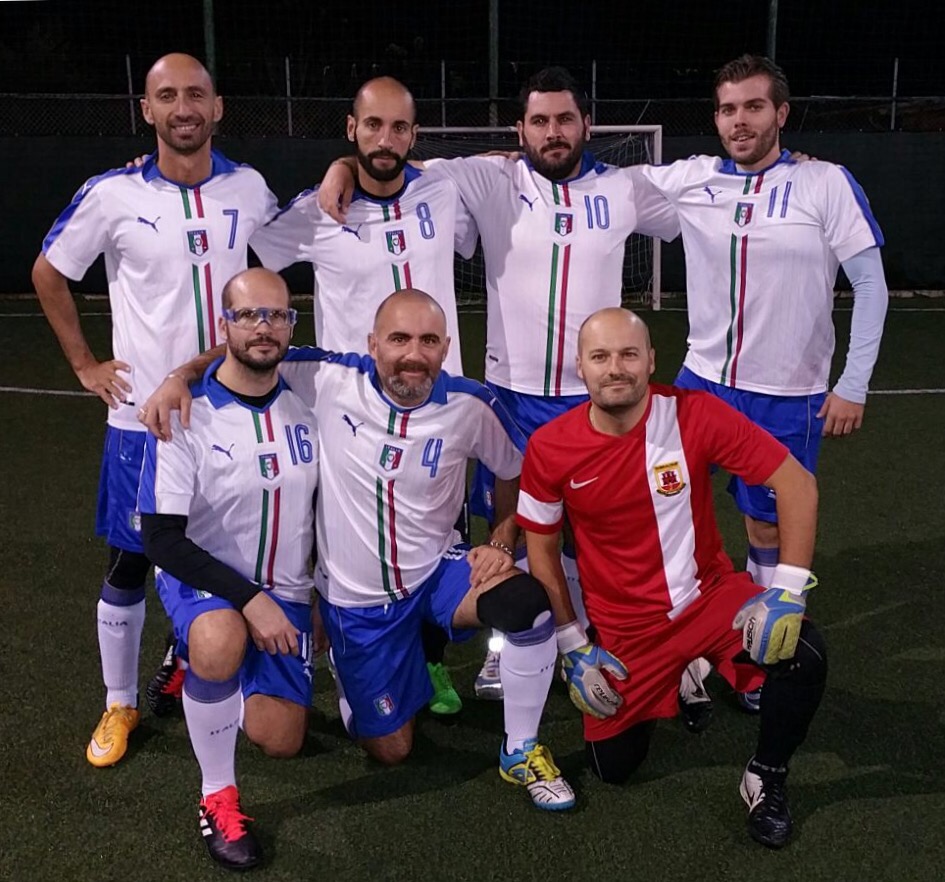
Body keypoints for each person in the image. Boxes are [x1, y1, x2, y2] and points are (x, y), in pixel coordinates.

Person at [317, 66, 681, 701]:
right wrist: (341, 167)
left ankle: (599, 637)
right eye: (539, 121)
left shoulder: (625, 187)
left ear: (587, 124)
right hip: (511, 396)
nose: (553, 131)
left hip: (594, 398)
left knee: (595, 530)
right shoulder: (489, 179)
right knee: (503, 529)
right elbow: (393, 162)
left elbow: (704, 201)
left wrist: (792, 168)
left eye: (564, 119)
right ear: (519, 130)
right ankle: (504, 648)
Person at [142, 289, 577, 812]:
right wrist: (179, 376)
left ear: (446, 348)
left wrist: (501, 539)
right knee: (390, 750)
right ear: (373, 344)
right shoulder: (328, 377)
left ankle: (520, 748)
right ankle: (356, 682)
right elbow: (253, 348)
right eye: (399, 339)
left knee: (525, 603)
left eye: (428, 341)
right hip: (358, 604)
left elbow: (516, 470)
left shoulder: (470, 404)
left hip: (438, 574)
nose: (413, 354)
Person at [31, 52, 280, 766]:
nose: (183, 108)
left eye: (196, 94)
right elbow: (48, 272)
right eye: (167, 96)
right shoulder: (112, 194)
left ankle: (191, 657)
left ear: (218, 106)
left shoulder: (249, 188)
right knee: (129, 564)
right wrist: (85, 365)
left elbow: (300, 234)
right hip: (146, 421)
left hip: (230, 412)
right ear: (147, 110)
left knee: (225, 551)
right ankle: (119, 702)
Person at [635, 54, 888, 720]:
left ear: (780, 112)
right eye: (727, 109)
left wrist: (853, 383)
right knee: (669, 512)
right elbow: (593, 185)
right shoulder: (692, 179)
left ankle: (753, 649)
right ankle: (683, 647)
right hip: (702, 383)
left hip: (788, 393)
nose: (738, 121)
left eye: (753, 106)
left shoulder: (824, 182)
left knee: (764, 523)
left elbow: (870, 285)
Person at [516, 308, 828, 848]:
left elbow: (796, 483)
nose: (616, 368)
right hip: (627, 630)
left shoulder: (695, 414)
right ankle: (680, 674)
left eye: (629, 354)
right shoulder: (550, 446)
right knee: (613, 768)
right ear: (581, 367)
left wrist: (789, 589)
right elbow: (541, 549)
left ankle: (765, 775)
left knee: (804, 652)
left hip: (710, 600)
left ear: (651, 361)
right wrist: (573, 644)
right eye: (600, 356)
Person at [251, 75, 479, 715]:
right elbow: (251, 256)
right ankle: (343, 653)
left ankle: (431, 662)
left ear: (414, 134)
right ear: (352, 129)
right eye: (372, 125)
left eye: (399, 127)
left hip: (436, 408)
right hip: (349, 414)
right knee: (342, 542)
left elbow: (507, 165)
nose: (386, 139)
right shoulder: (316, 211)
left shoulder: (442, 190)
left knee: (439, 536)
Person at [139, 268, 317, 871]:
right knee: (219, 638)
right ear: (225, 325)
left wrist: (312, 594)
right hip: (206, 580)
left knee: (281, 739)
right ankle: (217, 795)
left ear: (291, 324)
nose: (264, 327)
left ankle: (193, 660)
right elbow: (161, 538)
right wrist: (248, 599)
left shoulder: (310, 401)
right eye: (248, 315)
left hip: (286, 589)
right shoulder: (185, 412)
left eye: (278, 315)